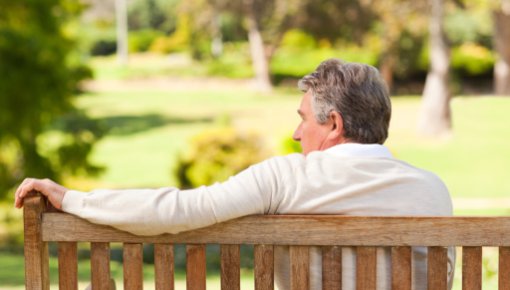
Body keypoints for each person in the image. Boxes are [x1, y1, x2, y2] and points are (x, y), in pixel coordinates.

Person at [14, 58, 454, 290]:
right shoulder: (433, 191)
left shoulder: (289, 178)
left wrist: (73, 199)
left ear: (335, 124)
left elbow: (179, 210)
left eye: (305, 119)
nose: (297, 133)